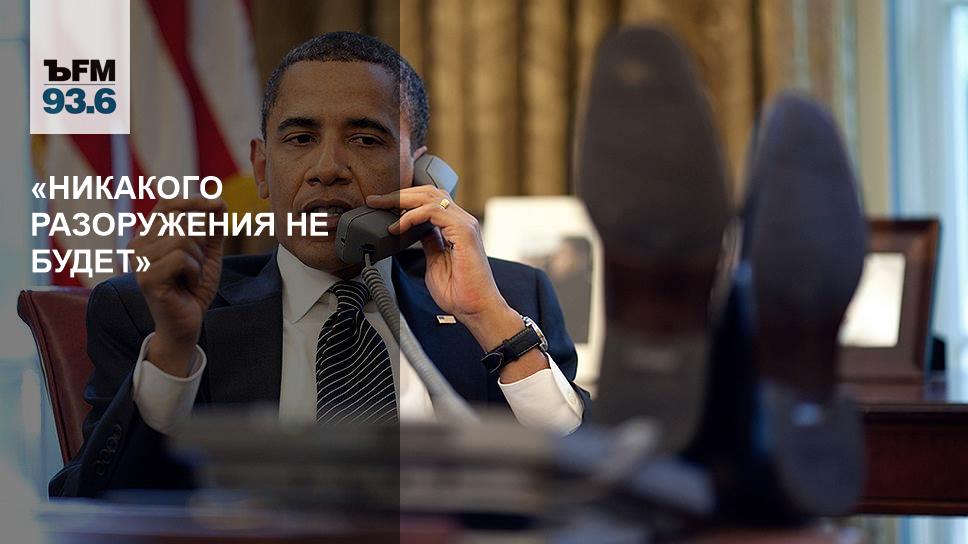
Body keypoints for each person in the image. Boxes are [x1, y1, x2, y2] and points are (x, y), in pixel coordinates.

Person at [50, 31, 589, 498]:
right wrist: (172, 352)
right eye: (301, 139)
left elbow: (597, 489)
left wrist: (489, 319)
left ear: (420, 173)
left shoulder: (510, 300)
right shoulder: (152, 312)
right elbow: (91, 503)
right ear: (263, 169)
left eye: (365, 138)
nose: (327, 168)